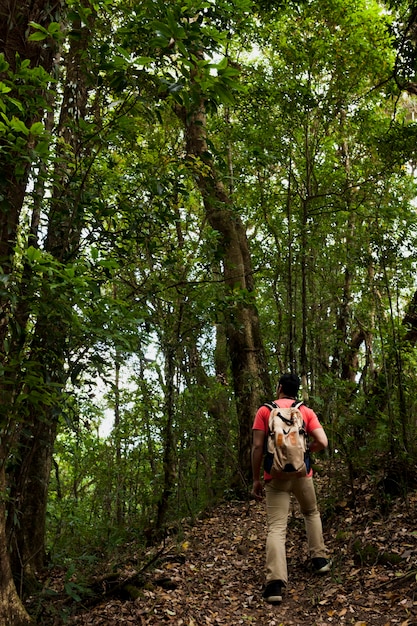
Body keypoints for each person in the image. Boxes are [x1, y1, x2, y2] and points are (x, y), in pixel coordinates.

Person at [251, 373, 332, 604]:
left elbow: (257, 447)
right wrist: (306, 454)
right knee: (311, 512)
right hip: (302, 473)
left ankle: (274, 585)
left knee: (276, 527)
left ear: (279, 388)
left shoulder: (264, 411)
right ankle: (320, 561)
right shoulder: (305, 411)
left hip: (274, 476)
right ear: (296, 390)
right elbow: (323, 442)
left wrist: (256, 479)